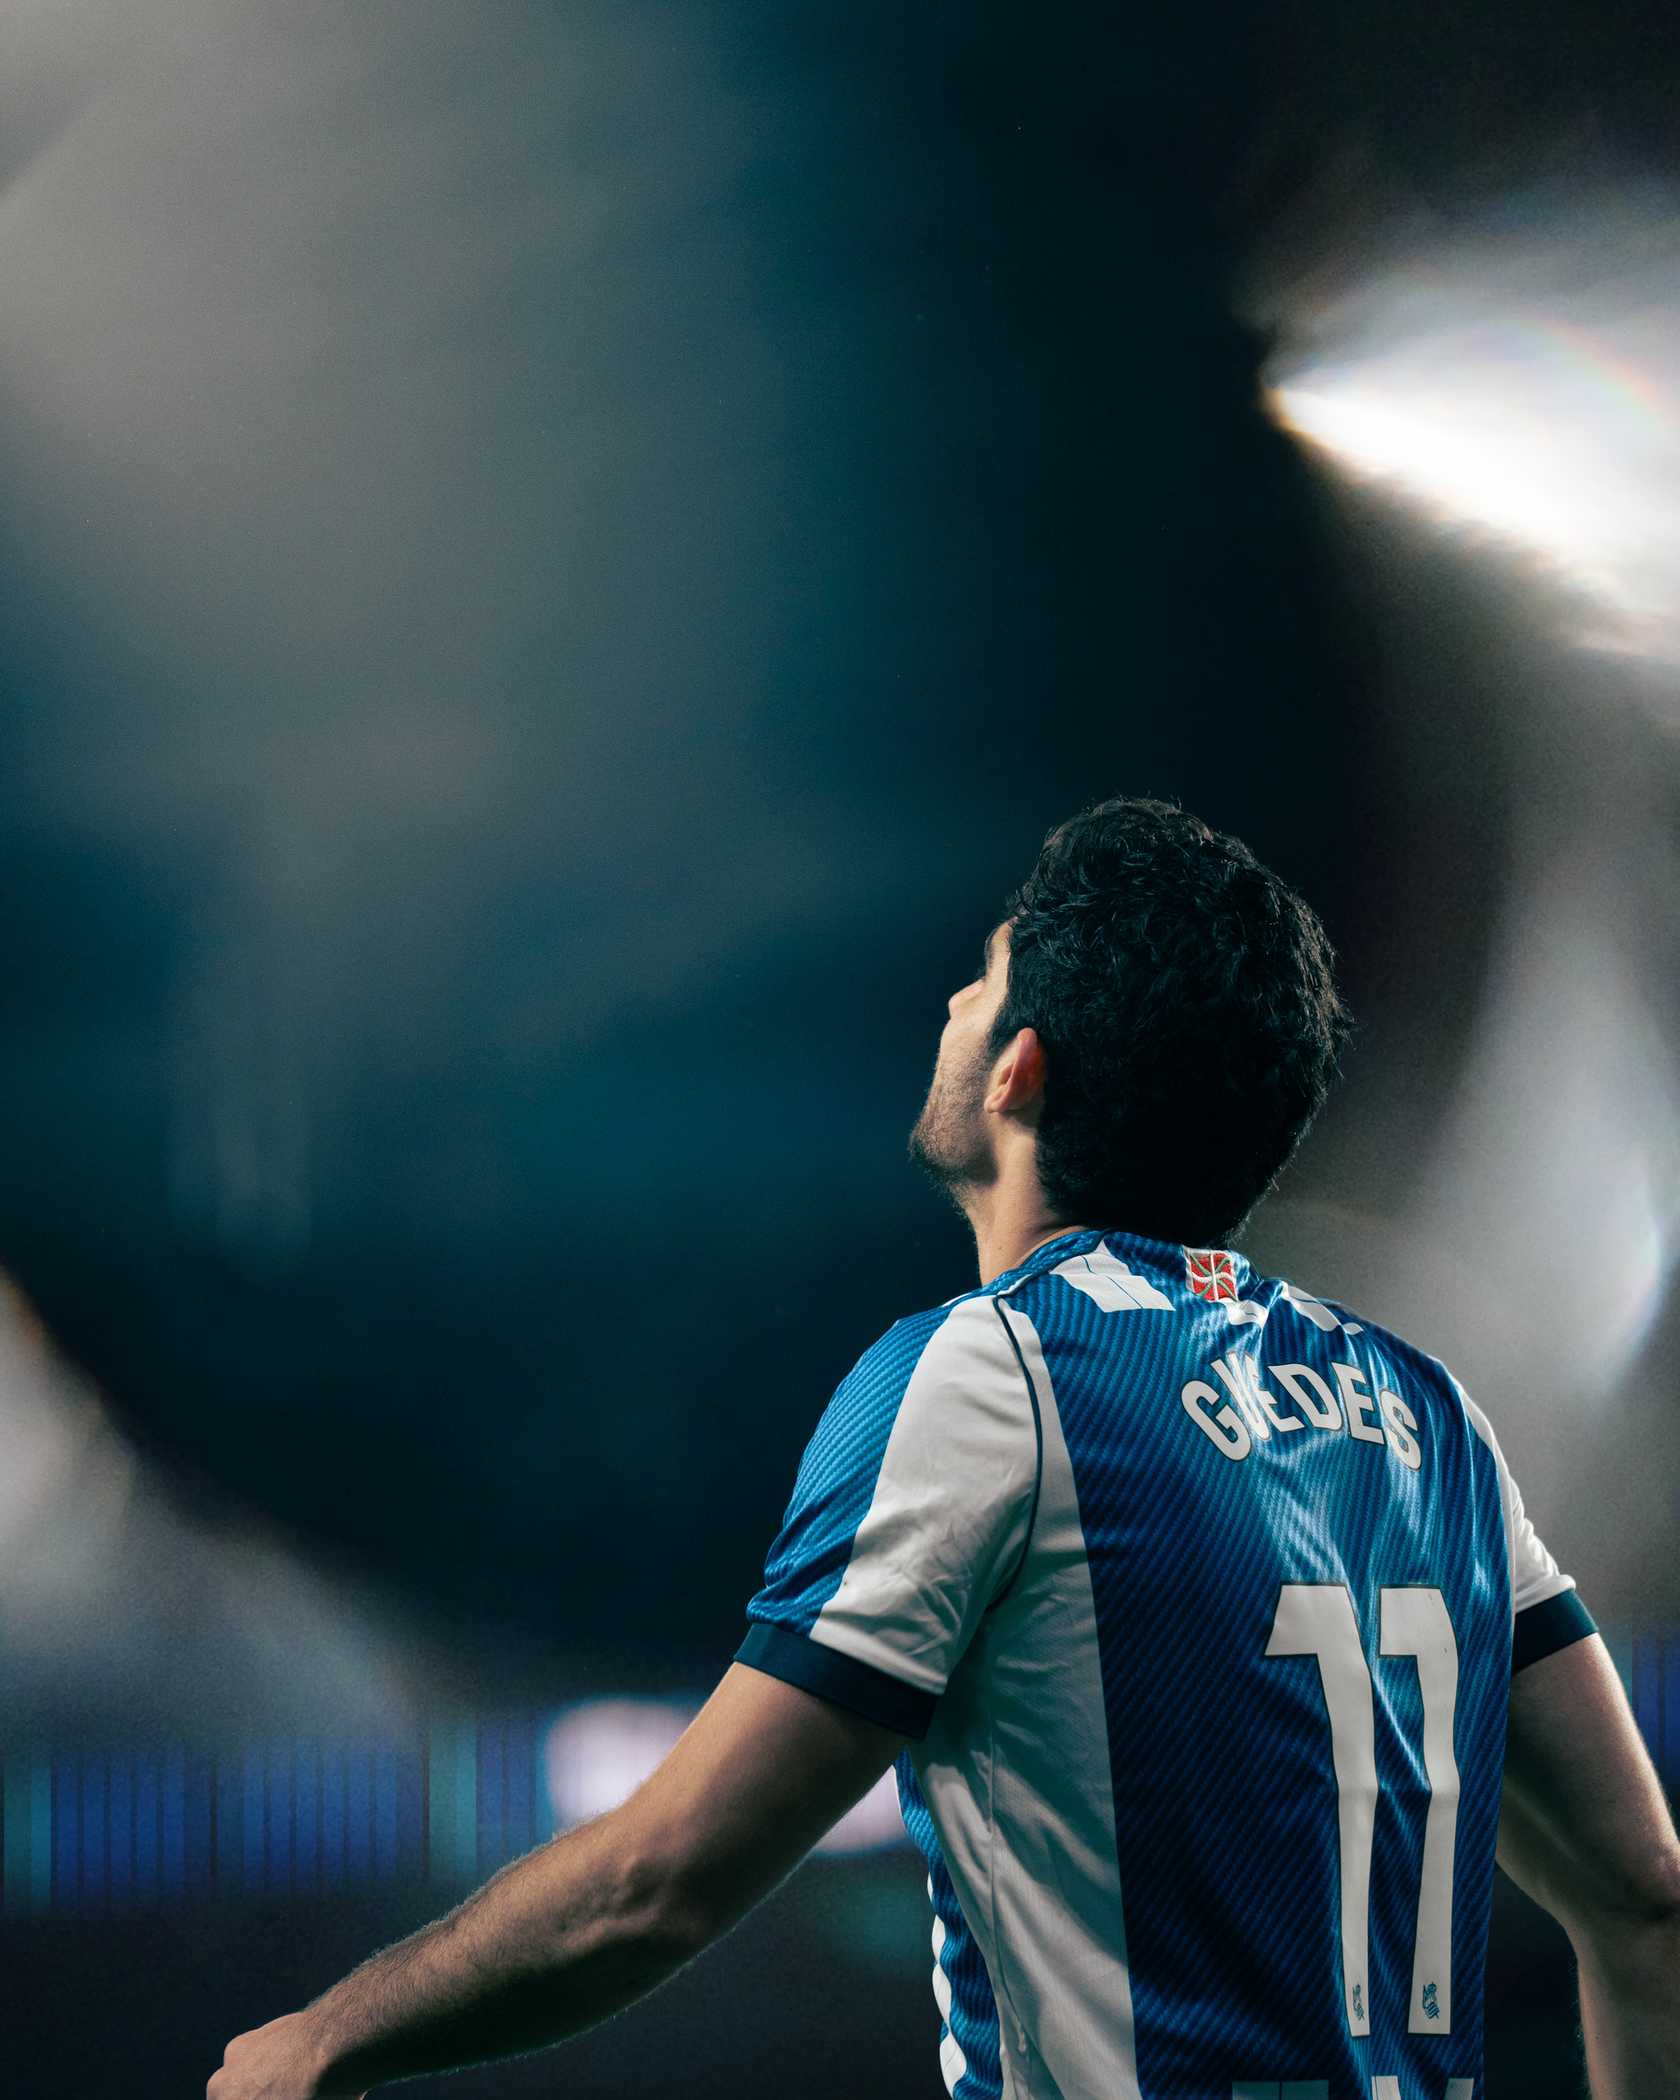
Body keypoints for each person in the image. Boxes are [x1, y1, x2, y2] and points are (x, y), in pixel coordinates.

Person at [210, 796, 1680, 2100]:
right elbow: (1647, 1894)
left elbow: (660, 1880)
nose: (951, 1009)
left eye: (976, 986)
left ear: (1017, 1070)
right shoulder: (1425, 1412)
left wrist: (328, 2040)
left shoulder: (998, 1377)